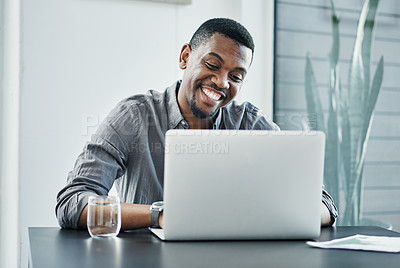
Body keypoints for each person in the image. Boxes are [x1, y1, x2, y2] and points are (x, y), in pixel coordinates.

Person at [56, 18, 337, 230]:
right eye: (213, 65)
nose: (222, 83)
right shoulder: (133, 117)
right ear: (185, 57)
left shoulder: (250, 122)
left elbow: (325, 205)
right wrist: (161, 216)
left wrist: (269, 216)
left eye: (236, 76)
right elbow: (72, 202)